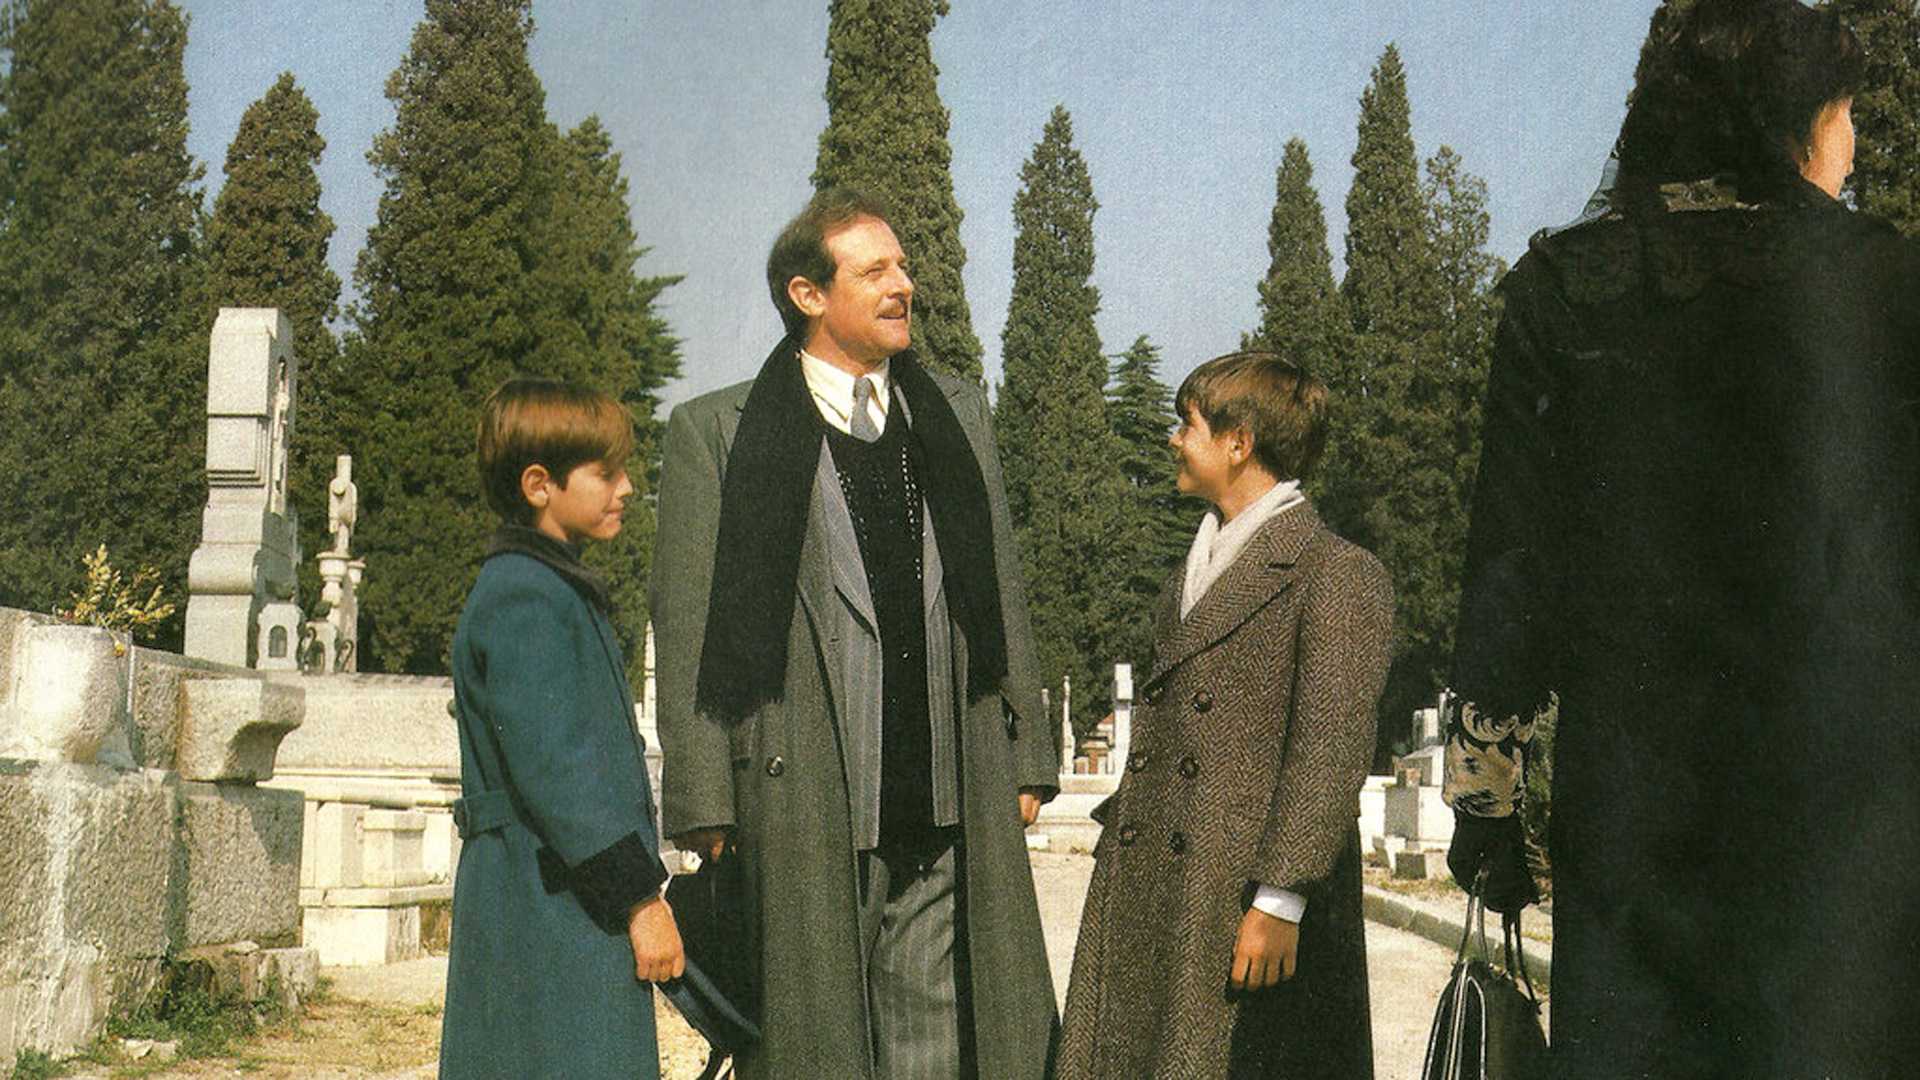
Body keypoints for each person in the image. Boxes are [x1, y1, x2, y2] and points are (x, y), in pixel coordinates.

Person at [1444, 0, 1920, 1075]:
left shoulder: (1567, 291)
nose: (1853, 148)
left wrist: (1486, 805)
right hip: (1848, 823)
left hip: (1638, 829)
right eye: (1844, 115)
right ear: (1790, 122)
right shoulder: (1889, 287)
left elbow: (1512, 571)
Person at [650, 185, 1058, 1079]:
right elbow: (686, 629)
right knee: (814, 1045)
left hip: (945, 790)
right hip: (798, 794)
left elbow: (1000, 585)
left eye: (903, 267)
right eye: (875, 271)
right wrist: (703, 800)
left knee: (935, 1051)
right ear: (808, 294)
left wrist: (1026, 754)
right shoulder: (714, 432)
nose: (903, 284)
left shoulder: (954, 411)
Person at [1058, 352, 1392, 1079]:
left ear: (1239, 443)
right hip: (1159, 882)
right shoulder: (1193, 570)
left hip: (1242, 898)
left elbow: (1330, 750)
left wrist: (1281, 899)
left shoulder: (1336, 571)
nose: (1174, 439)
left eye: (1188, 425)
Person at [439, 379, 682, 1080]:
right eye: (605, 473)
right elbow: (561, 774)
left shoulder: (547, 585)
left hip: (555, 897)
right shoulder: (526, 593)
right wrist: (641, 901)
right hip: (545, 907)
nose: (627, 487)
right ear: (539, 485)